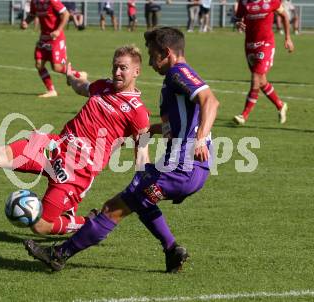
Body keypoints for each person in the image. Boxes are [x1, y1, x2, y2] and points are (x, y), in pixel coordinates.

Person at [23, 27, 220, 273]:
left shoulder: (178, 72)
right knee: (141, 196)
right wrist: (145, 131)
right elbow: (175, 126)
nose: (149, 62)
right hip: (188, 170)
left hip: (183, 167)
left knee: (113, 208)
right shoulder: (174, 82)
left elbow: (210, 101)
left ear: (166, 53)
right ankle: (172, 251)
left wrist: (200, 138)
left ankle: (58, 254)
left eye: (152, 55)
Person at [0, 45, 151, 237]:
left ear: (136, 71)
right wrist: (71, 76)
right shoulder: (103, 86)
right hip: (55, 147)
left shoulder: (138, 110)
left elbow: (143, 147)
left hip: (78, 170)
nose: (117, 71)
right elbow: (81, 86)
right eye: (115, 66)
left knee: (41, 226)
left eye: (123, 68)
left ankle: (87, 223)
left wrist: (143, 180)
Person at [233, 0, 294, 125]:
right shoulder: (243, 3)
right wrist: (239, 24)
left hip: (266, 45)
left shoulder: (271, 1)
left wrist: (288, 38)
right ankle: (280, 105)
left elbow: (284, 16)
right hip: (250, 45)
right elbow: (238, 19)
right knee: (261, 81)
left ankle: (244, 115)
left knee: (256, 78)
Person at [21, 0, 87, 98]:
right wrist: (25, 22)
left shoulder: (52, 1)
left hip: (56, 39)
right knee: (39, 64)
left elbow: (66, 14)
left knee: (57, 67)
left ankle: (78, 74)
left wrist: (58, 30)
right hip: (43, 39)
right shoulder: (34, 2)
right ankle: (51, 90)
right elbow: (32, 14)